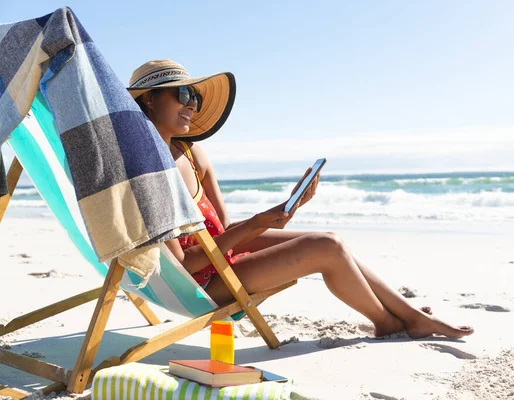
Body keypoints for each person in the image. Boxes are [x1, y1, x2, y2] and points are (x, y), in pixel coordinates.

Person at [127, 60, 474, 339]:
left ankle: (405, 314)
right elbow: (184, 264)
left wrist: (279, 214)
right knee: (325, 246)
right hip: (201, 284)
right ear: (150, 99)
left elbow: (227, 228)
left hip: (221, 256)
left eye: (196, 97)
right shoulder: (147, 174)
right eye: (183, 94)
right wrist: (256, 223)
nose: (192, 104)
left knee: (334, 240)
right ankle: (391, 321)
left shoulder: (192, 154)